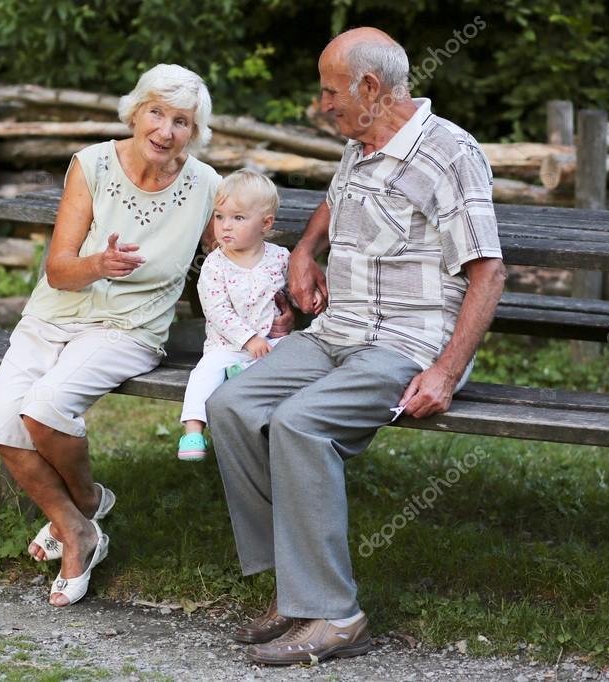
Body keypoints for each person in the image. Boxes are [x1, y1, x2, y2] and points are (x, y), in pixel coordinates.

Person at [207, 27, 506, 665]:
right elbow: (334, 202)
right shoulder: (361, 144)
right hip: (339, 331)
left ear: (369, 89)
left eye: (329, 92)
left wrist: (447, 372)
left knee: (300, 425)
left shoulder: (448, 153)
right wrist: (308, 251)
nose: (322, 105)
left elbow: (489, 271)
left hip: (408, 342)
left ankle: (337, 617)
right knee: (231, 406)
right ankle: (294, 588)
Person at [0, 63, 224, 607]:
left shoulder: (207, 185)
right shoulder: (91, 164)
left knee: (43, 408)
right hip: (54, 313)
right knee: (1, 416)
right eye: (156, 113)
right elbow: (59, 270)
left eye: (181, 120)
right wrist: (100, 264)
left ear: (195, 130)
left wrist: (273, 294)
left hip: (127, 329)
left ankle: (83, 514)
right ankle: (80, 521)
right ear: (135, 112)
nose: (165, 130)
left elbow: (230, 255)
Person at [177, 169, 292, 462]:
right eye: (219, 216)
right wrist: (249, 338)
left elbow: (290, 294)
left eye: (238, 218)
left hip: (271, 343)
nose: (225, 226)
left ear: (266, 223)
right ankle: (193, 430)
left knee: (295, 356)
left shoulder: (279, 257)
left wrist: (293, 312)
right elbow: (217, 311)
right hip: (227, 347)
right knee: (204, 373)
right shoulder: (215, 265)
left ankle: (276, 427)